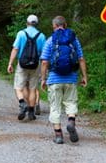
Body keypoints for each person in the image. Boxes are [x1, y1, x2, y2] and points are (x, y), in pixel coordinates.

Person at [40, 15, 88, 144]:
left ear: (54, 26)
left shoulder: (50, 40)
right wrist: (84, 76)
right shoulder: (74, 40)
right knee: (71, 103)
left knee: (55, 107)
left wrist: (43, 79)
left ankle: (59, 136)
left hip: (54, 79)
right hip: (71, 78)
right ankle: (71, 122)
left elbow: (44, 62)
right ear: (65, 25)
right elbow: (81, 59)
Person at [7, 14, 46, 121]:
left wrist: (10, 63)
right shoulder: (41, 36)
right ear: (36, 24)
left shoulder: (21, 33)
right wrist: (44, 71)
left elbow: (15, 49)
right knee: (33, 89)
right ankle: (31, 112)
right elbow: (44, 55)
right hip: (35, 64)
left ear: (27, 23)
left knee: (19, 87)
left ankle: (22, 103)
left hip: (22, 64)